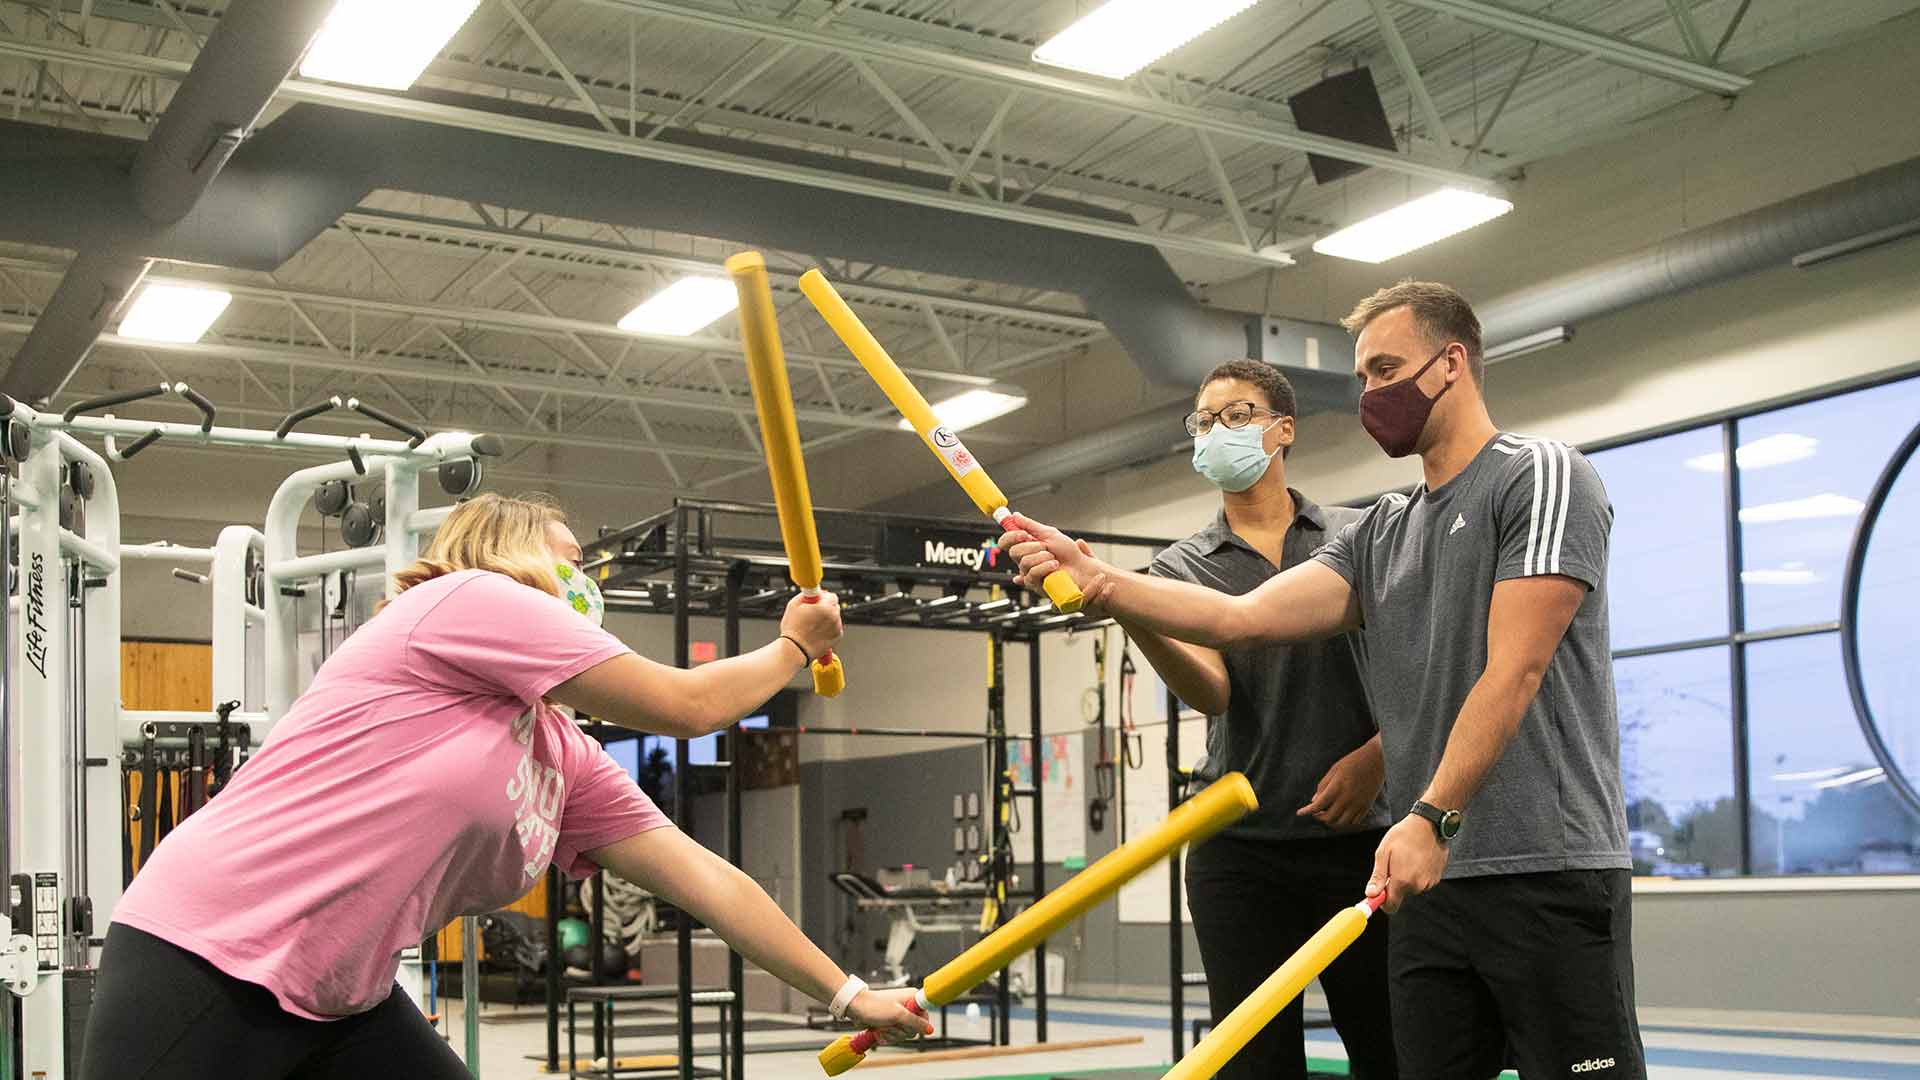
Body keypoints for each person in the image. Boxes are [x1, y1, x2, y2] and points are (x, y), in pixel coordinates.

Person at [1002, 282, 1644, 1080]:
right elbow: (1241, 618)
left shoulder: (1540, 474)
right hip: (1423, 879)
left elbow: (1516, 669)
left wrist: (1430, 815)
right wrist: (1099, 579)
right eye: (1363, 377)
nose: (1371, 394)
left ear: (1452, 363)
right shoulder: (1383, 530)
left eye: (1387, 370)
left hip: (1537, 864)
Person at [85, 493, 928, 1080]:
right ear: (505, 549)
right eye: (572, 561)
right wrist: (793, 646)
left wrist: (850, 994)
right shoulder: (466, 599)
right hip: (211, 953)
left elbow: (708, 880)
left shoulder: (559, 753)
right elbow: (687, 706)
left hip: (342, 997)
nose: (586, 583)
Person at [1127, 358, 1395, 1080]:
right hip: (1240, 852)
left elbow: (1426, 665)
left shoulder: (1360, 535)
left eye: (1238, 414)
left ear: (1284, 430)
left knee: (1393, 1050)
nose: (1218, 429)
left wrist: (1378, 756)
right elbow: (1212, 693)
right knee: (1256, 1064)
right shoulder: (1180, 566)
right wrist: (1132, 609)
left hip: (1361, 841)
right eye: (1204, 420)